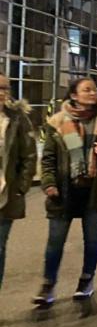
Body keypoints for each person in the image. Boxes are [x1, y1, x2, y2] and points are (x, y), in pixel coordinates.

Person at [34, 78, 97, 306]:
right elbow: (49, 159)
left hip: (94, 190)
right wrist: (49, 183)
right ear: (74, 95)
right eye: (87, 90)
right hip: (64, 191)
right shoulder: (56, 123)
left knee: (92, 239)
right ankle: (48, 285)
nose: (93, 93)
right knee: (55, 241)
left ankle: (86, 280)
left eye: (94, 89)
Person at [0, 75, 36, 293]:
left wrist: (20, 188)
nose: (2, 91)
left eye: (5, 87)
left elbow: (29, 156)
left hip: (5, 194)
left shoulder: (17, 119)